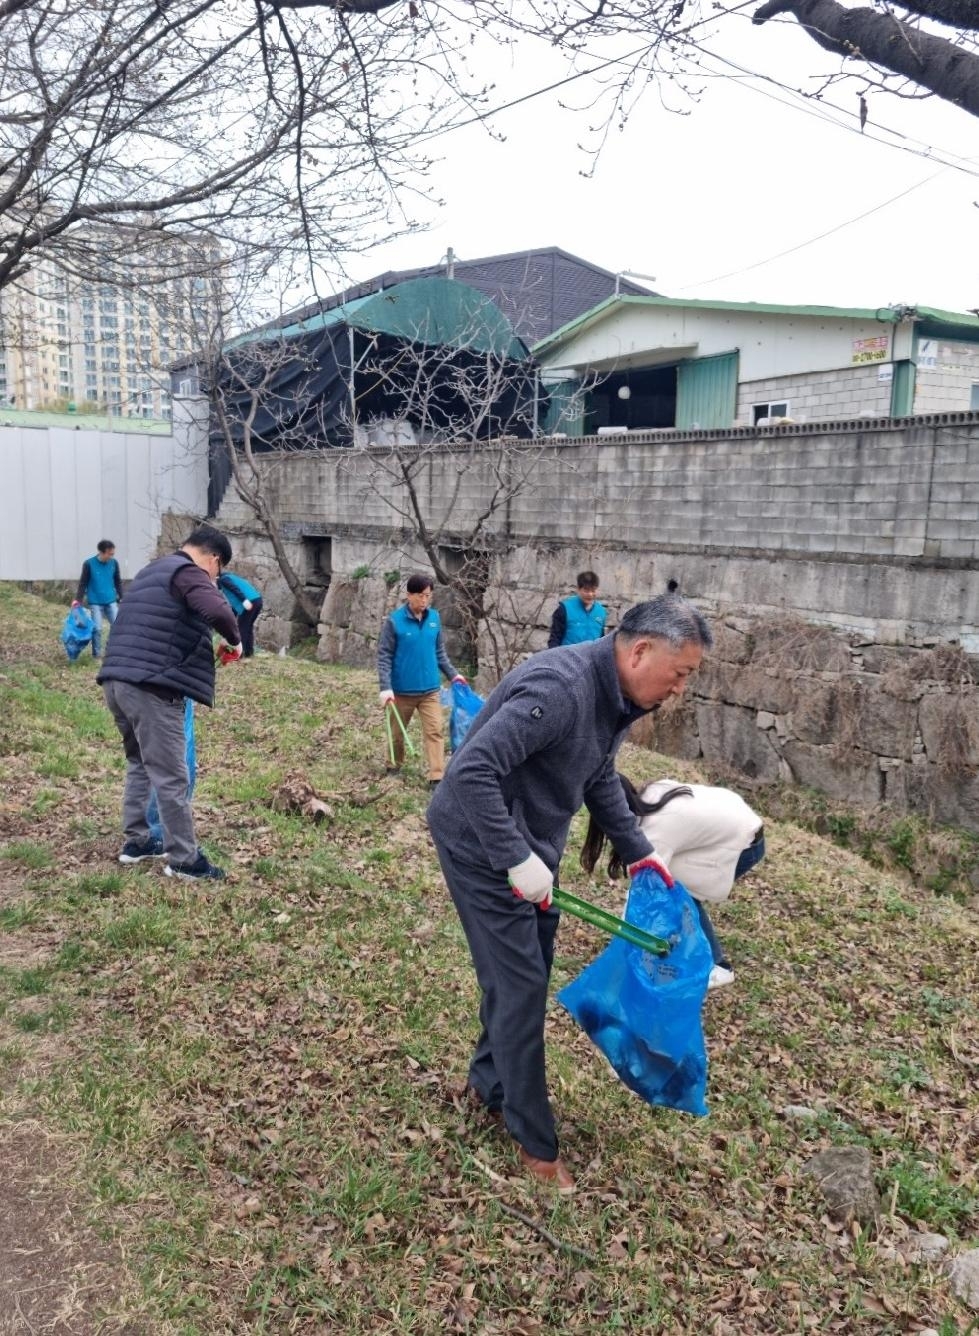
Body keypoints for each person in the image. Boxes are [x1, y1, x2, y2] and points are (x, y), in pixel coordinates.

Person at [427, 593, 712, 1192]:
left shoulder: (612, 698)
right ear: (640, 652)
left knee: (528, 970)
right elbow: (470, 771)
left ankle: (487, 1084)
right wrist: (513, 858)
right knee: (521, 982)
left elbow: (598, 774)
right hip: (481, 841)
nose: (680, 688)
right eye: (680, 673)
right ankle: (534, 1139)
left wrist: (639, 852)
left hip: (531, 848)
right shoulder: (560, 689)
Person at [97, 525, 242, 881]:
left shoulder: (152, 571)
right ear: (214, 560)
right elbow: (219, 612)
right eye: (218, 572)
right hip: (151, 689)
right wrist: (236, 641)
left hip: (116, 681)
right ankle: (184, 859)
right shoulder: (189, 572)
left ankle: (138, 842)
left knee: (139, 764)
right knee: (172, 775)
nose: (215, 577)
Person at [580, 775, 765, 990]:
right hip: (738, 816)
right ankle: (678, 944)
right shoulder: (650, 794)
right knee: (673, 888)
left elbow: (641, 892)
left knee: (681, 892)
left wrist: (623, 945)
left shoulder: (656, 833)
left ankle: (719, 967)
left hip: (744, 841)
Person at [377, 573, 466, 787]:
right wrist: (385, 688)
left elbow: (440, 653)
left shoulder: (434, 619)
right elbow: (384, 656)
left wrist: (453, 675)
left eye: (428, 596)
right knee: (397, 734)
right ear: (409, 595)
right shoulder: (395, 622)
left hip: (430, 690)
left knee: (435, 730)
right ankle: (393, 765)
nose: (425, 601)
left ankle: (437, 776)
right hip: (401, 692)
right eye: (420, 596)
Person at [73, 539, 123, 660]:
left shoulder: (114, 563)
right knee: (97, 629)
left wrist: (122, 596)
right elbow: (83, 583)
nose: (111, 556)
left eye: (113, 554)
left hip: (111, 600)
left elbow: (118, 581)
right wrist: (77, 600)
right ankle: (97, 655)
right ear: (102, 552)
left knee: (117, 625)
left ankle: (110, 650)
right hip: (95, 601)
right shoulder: (89, 564)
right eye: (109, 554)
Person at [547, 570, 606, 648]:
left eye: (593, 590)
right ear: (578, 589)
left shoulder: (601, 612)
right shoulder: (564, 609)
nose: (590, 594)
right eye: (586, 590)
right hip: (567, 657)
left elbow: (601, 641)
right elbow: (554, 639)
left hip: (591, 659)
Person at [217, 570, 263, 657]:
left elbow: (235, 589)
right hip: (257, 600)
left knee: (242, 628)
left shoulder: (223, 579)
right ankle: (249, 653)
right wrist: (231, 619)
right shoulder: (231, 577)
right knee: (248, 627)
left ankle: (239, 654)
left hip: (249, 601)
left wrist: (244, 600)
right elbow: (234, 606)